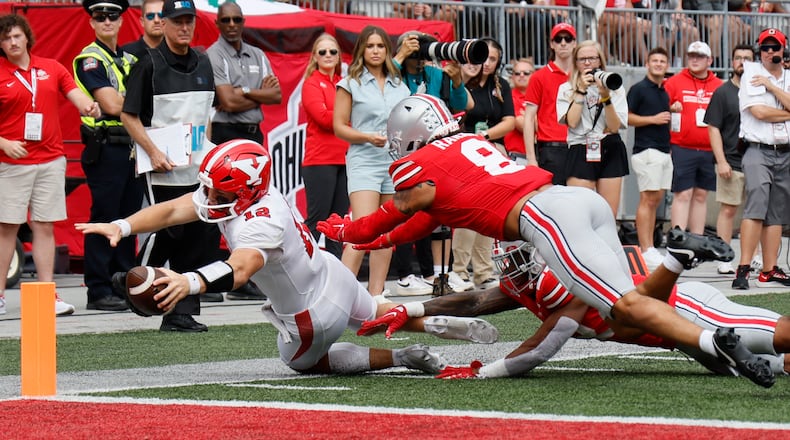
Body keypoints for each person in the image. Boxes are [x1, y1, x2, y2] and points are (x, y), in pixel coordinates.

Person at [317, 94, 775, 388]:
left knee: (624, 309)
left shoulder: (422, 167)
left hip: (546, 218)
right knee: (629, 306)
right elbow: (415, 224)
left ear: (410, 137)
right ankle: (716, 336)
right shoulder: (468, 148)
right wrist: (381, 250)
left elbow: (386, 216)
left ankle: (713, 335)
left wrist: (342, 231)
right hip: (571, 200)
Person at [76, 140, 500, 375]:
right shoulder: (257, 193)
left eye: (220, 195)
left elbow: (240, 269)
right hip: (332, 275)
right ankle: (442, 325)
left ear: (246, 192)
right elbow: (173, 208)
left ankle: (402, 357)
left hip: (310, 314)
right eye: (209, 189)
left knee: (302, 364)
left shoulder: (258, 221)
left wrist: (188, 282)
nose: (209, 199)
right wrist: (123, 225)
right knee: (377, 312)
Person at [361, 241, 790, 378]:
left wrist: (482, 372)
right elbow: (476, 299)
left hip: (691, 311)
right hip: (676, 337)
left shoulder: (564, 279)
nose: (509, 268)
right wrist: (410, 308)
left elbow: (541, 345)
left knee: (781, 333)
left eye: (516, 257)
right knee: (771, 366)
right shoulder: (530, 278)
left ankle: (682, 257)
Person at [119, 0, 217, 332]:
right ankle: (134, 281)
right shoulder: (148, 64)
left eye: (189, 21)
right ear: (165, 24)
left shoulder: (204, 61)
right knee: (167, 229)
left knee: (194, 235)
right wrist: (153, 151)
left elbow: (207, 116)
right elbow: (128, 115)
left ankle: (179, 311)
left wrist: (210, 156)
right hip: (162, 165)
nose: (184, 27)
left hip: (196, 165)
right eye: (178, 21)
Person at [0, 14, 99, 316]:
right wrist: (3, 142)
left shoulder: (51, 67)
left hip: (51, 159)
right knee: (7, 229)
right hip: (11, 162)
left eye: (17, 36)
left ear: (27, 37)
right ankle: (0, 297)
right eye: (5, 39)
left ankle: (47, 296)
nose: (12, 42)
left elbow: (74, 94)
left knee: (44, 226)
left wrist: (88, 106)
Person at [390, 30, 474, 296]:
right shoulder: (396, 71)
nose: (421, 51)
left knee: (436, 213)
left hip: (433, 149)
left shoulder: (436, 75)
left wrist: (457, 80)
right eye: (416, 44)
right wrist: (401, 55)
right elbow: (384, 81)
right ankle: (405, 274)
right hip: (403, 148)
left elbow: (460, 105)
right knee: (404, 211)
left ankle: (439, 274)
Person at [73, 0, 142, 312]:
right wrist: (132, 101)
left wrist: (126, 100)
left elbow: (138, 101)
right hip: (107, 148)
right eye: (99, 17)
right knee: (104, 218)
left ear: (121, 20)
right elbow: (112, 105)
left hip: (132, 146)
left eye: (112, 16)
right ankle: (98, 289)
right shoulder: (89, 58)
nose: (106, 21)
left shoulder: (131, 57)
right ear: (91, 22)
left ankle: (127, 284)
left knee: (129, 221)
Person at [332, 25, 410, 298]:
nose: (375, 51)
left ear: (388, 50)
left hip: (394, 162)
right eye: (370, 46)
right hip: (364, 159)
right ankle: (339, 294)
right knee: (363, 229)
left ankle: (376, 294)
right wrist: (366, 137)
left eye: (380, 46)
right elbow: (339, 127)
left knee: (386, 231)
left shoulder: (400, 84)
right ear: (361, 50)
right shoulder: (349, 83)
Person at [453, 37, 514, 291]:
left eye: (492, 59)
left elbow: (510, 120)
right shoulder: (461, 82)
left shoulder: (501, 85)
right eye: (483, 57)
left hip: (492, 151)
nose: (486, 63)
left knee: (489, 211)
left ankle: (484, 271)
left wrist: (486, 137)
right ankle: (459, 270)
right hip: (463, 152)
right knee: (469, 211)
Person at [733, 28, 790, 290]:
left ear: (783, 50)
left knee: (776, 214)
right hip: (757, 148)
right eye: (765, 48)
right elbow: (759, 112)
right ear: (760, 51)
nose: (770, 52)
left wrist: (771, 87)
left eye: (774, 47)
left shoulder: (787, 75)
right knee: (756, 207)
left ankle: (770, 269)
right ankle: (743, 268)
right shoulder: (751, 73)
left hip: (784, 150)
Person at [556, 40, 629, 217]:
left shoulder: (614, 87)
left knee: (608, 213)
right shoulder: (566, 89)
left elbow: (614, 127)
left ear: (600, 61)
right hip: (580, 146)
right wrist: (580, 91)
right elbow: (572, 122)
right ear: (575, 63)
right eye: (582, 59)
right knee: (580, 211)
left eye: (592, 58)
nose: (587, 63)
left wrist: (606, 97)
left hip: (609, 146)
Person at [704, 44, 754, 276]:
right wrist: (721, 161)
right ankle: (724, 257)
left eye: (747, 58)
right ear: (732, 61)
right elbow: (713, 129)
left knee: (757, 213)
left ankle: (753, 258)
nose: (742, 61)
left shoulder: (760, 91)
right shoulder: (723, 92)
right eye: (738, 58)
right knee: (728, 211)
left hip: (758, 159)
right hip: (731, 161)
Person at [663, 41, 722, 235]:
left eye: (700, 56)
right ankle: (678, 236)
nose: (695, 60)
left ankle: (697, 239)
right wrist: (671, 108)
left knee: (701, 195)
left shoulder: (718, 85)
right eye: (691, 56)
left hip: (708, 148)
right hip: (682, 146)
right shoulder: (674, 82)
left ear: (709, 60)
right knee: (683, 193)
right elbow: (660, 108)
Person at [301, 33, 349, 261]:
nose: (328, 55)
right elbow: (322, 118)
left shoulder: (343, 82)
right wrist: (347, 117)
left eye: (333, 51)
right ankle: (296, 268)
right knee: (316, 220)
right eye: (323, 52)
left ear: (339, 56)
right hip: (320, 160)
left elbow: (337, 118)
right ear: (315, 57)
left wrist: (342, 118)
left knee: (337, 222)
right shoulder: (311, 82)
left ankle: (337, 273)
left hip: (345, 159)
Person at [206, 2, 281, 145]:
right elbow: (229, 103)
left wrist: (243, 91)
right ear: (217, 23)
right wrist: (261, 96)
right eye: (226, 20)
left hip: (255, 134)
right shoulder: (213, 54)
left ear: (243, 22)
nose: (232, 24)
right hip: (225, 133)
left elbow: (276, 96)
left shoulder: (258, 54)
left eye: (237, 19)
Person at [626, 46, 672, 269]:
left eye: (662, 61)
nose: (658, 64)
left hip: (663, 151)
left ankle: (650, 247)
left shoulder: (663, 91)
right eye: (654, 60)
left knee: (655, 200)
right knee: (648, 199)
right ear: (647, 63)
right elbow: (626, 117)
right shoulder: (638, 89)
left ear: (667, 65)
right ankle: (645, 249)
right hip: (647, 150)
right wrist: (653, 119)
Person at [524, 22, 576, 185]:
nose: (563, 43)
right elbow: (528, 118)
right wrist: (531, 158)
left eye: (568, 39)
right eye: (558, 39)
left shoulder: (580, 75)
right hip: (551, 148)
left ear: (574, 43)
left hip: (578, 145)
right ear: (551, 44)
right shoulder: (539, 77)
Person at [504, 58, 535, 157]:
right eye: (517, 73)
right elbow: (521, 125)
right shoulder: (508, 97)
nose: (521, 76)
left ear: (534, 75)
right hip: (516, 156)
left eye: (526, 73)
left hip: (541, 155)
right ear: (512, 76)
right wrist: (536, 119)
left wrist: (528, 118)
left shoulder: (542, 97)